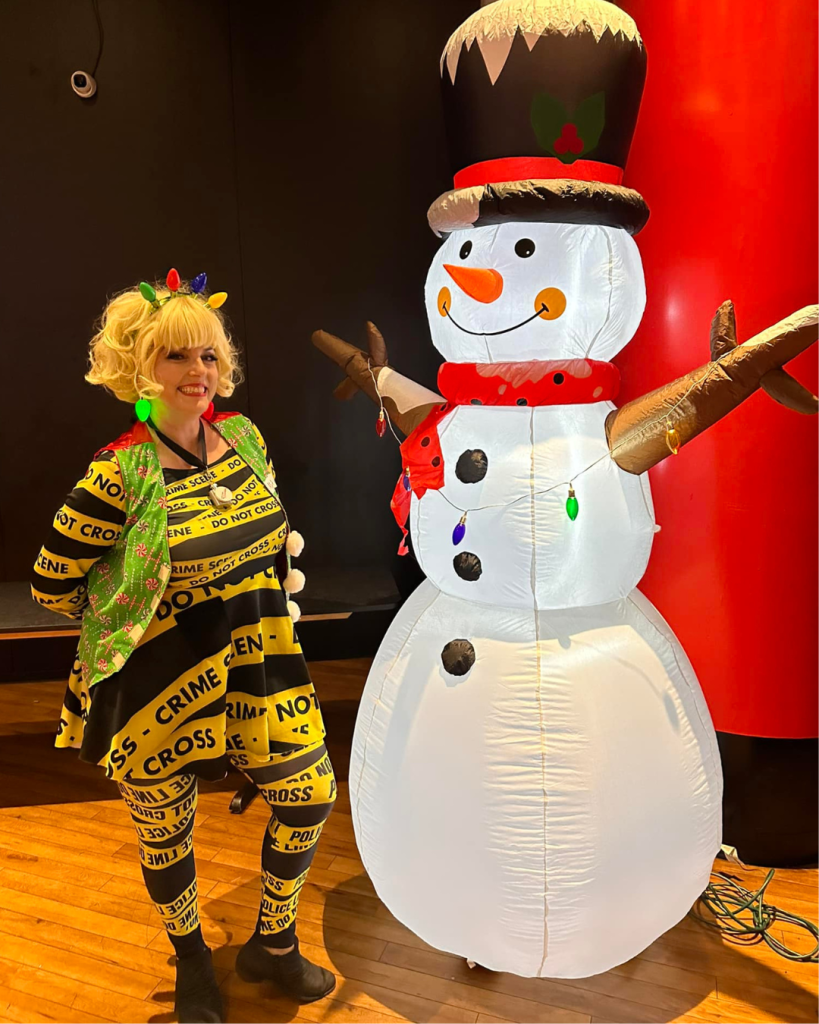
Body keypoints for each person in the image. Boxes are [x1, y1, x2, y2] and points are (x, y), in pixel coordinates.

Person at [31, 270, 336, 1023]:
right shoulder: (118, 473)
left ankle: (273, 942)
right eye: (176, 356)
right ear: (139, 368)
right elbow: (51, 582)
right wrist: (133, 615)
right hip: (156, 681)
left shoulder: (244, 438)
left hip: (260, 661)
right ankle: (192, 958)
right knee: (167, 832)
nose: (197, 371)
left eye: (207, 355)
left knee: (309, 795)